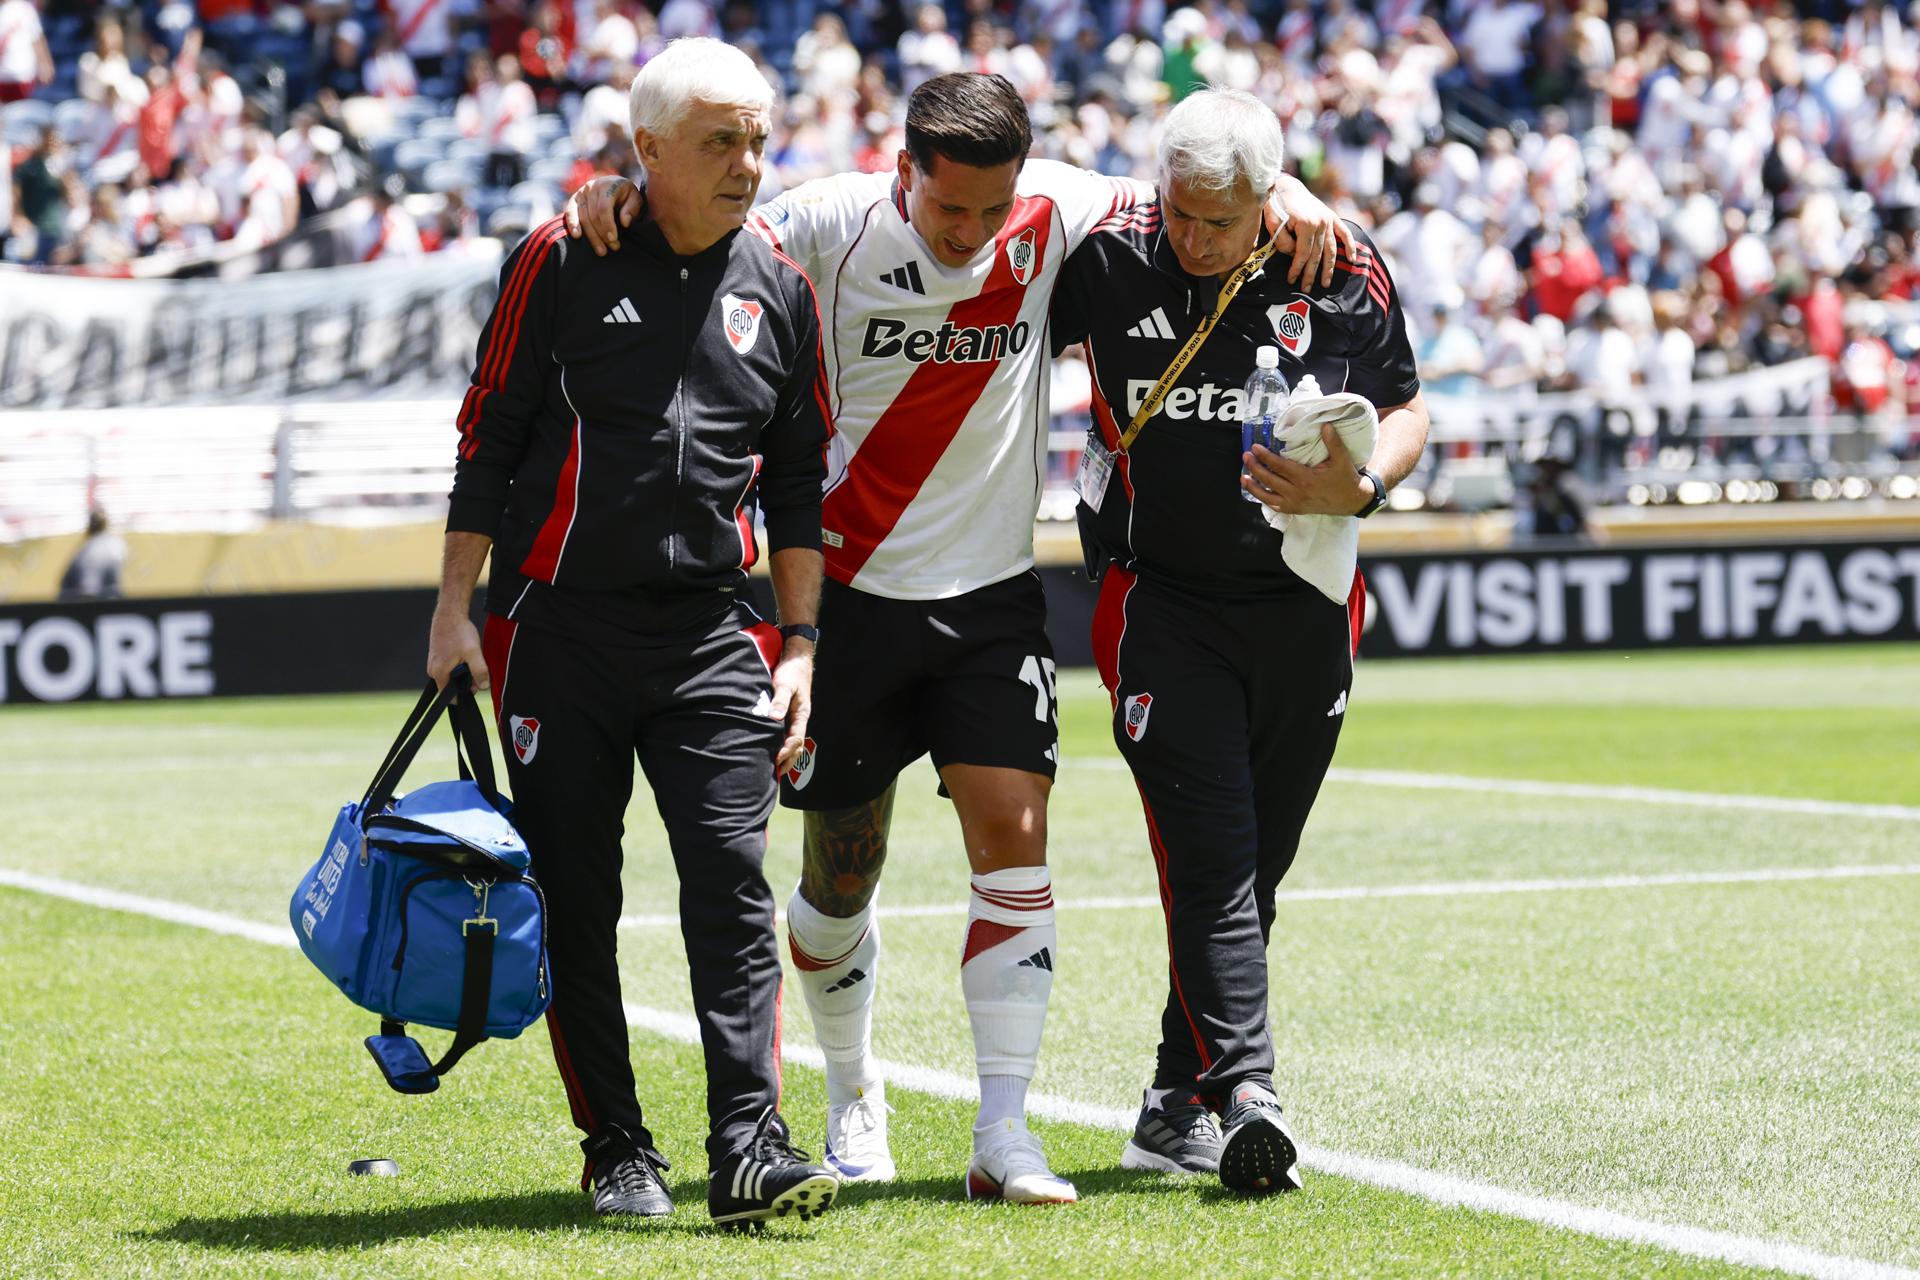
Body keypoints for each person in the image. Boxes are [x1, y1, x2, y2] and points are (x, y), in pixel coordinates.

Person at [566, 71, 1359, 1202]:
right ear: (904, 175)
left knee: (1015, 838)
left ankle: (1003, 1131)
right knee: (841, 876)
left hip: (990, 599)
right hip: (847, 601)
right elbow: (697, 226)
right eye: (950, 213)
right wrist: (615, 192)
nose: (975, 236)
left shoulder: (1065, 209)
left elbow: (1204, 190)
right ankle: (852, 1092)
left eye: (995, 214)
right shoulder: (823, 223)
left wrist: (1291, 197)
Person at [426, 36, 839, 1229]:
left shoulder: (782, 286)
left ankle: (749, 1143)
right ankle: (616, 1142)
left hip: (719, 634)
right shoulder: (559, 257)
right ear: (645, 150)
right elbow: (487, 442)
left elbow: (801, 482)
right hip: (555, 631)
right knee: (576, 895)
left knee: (731, 883)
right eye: (720, 141)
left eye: (759, 137)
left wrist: (802, 642)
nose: (748, 163)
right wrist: (456, 610)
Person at [1052, 88, 1429, 1193]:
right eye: (1182, 213)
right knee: (1213, 851)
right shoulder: (1110, 256)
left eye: (1221, 219)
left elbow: (1407, 404)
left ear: (1271, 200)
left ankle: (1176, 1097)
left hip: (1309, 597)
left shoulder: (1342, 265)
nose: (1196, 239)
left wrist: (1361, 484)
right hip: (1157, 600)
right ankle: (1249, 1089)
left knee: (1256, 864)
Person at [58, 507, 127, 600]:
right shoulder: (117, 544)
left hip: (84, 605)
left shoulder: (92, 550)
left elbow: (89, 590)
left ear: (89, 526)